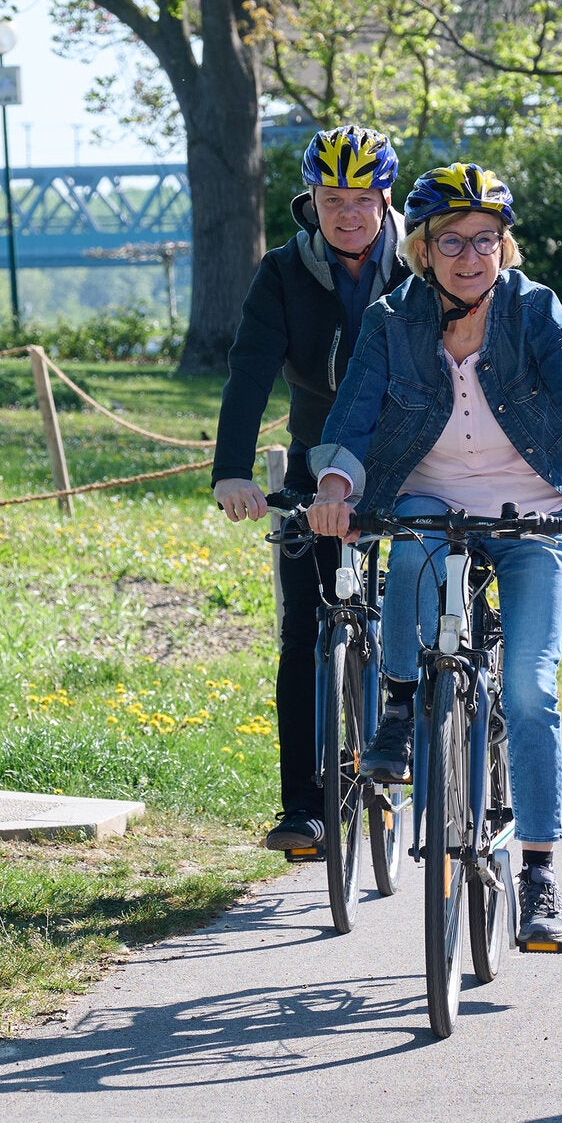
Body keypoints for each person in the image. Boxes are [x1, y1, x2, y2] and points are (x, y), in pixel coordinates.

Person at [305, 161, 562, 948]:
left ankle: (540, 874)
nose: (472, 256)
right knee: (410, 548)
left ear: (503, 247)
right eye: (453, 241)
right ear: (422, 248)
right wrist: (337, 490)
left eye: (487, 240)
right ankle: (406, 703)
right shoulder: (391, 320)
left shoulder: (533, 308)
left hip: (534, 511)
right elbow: (352, 414)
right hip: (431, 496)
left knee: (528, 688)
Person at [212, 124, 410, 851]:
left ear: (388, 200)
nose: (347, 213)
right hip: (313, 462)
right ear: (313, 200)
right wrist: (232, 467)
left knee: (415, 602)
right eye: (333, 198)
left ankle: (409, 726)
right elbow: (250, 370)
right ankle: (303, 807)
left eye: (363, 198)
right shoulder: (284, 271)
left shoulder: (423, 265)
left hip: (411, 462)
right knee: (306, 628)